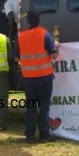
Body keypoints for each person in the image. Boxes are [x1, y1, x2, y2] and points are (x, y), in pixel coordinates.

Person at [15, 11, 59, 143]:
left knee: (31, 107)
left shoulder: (21, 36)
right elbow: (54, 56)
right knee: (44, 107)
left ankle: (29, 136)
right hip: (45, 77)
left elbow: (16, 57)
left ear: (28, 21)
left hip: (28, 78)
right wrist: (56, 45)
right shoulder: (45, 34)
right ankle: (44, 136)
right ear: (39, 20)